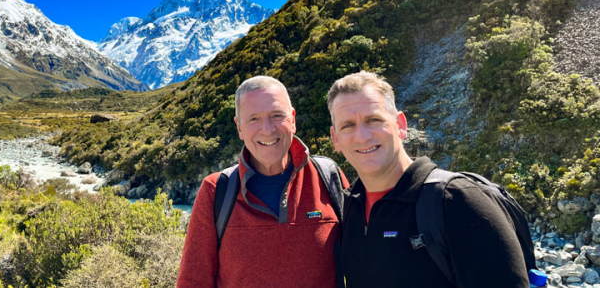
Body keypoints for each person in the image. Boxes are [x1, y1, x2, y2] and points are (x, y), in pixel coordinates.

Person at [326, 71, 527, 288]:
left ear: (400, 125)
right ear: (335, 138)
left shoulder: (457, 200)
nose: (363, 136)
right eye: (348, 125)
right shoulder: (350, 206)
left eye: (373, 120)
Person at [177, 76, 348, 288]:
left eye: (277, 115)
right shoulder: (216, 191)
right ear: (239, 127)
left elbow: (363, 262)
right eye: (253, 119)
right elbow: (193, 282)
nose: (267, 129)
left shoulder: (328, 177)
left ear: (292, 120)